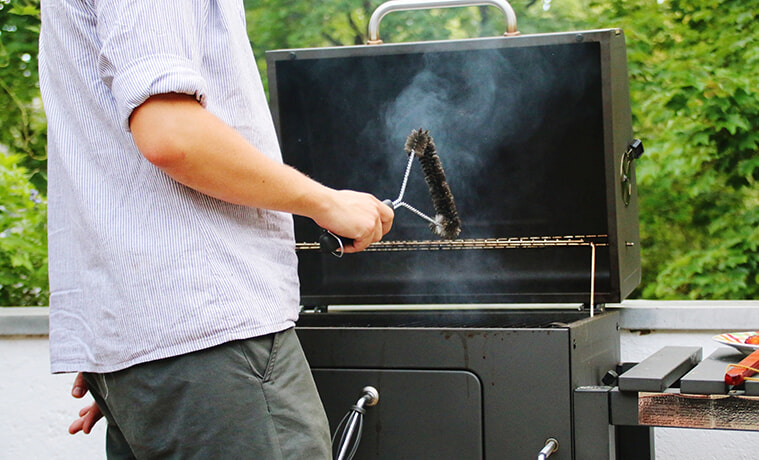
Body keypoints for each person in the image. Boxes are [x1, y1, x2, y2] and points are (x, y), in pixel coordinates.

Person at [38, 0, 393, 458]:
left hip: (156, 347)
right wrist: (327, 203)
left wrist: (131, 353)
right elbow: (173, 135)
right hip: (210, 332)